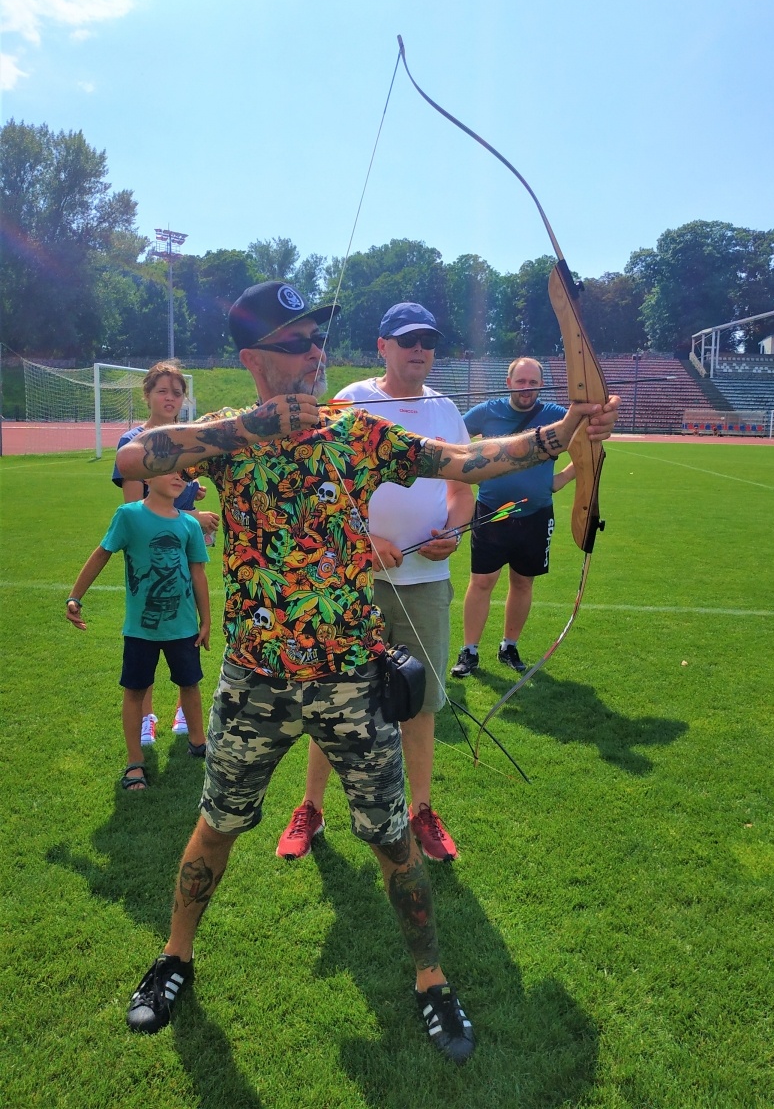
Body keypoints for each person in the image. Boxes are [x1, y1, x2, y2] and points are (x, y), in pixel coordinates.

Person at [114, 280, 620, 1063]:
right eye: (295, 344)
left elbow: (458, 458)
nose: (315, 356)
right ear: (253, 358)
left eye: (319, 341)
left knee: (391, 839)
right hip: (255, 677)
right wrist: (254, 425)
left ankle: (430, 978)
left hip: (351, 677)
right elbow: (130, 460)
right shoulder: (223, 433)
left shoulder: (356, 430)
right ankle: (174, 957)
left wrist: (560, 435)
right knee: (217, 825)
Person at [277, 302, 473, 866]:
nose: (419, 350)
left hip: (426, 580)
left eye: (428, 341)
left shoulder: (445, 409)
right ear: (382, 345)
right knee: (331, 696)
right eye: (407, 339)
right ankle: (310, 808)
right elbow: (319, 489)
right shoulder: (350, 401)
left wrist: (454, 531)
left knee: (421, 702)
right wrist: (363, 544)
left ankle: (422, 812)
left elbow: (462, 485)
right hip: (351, 584)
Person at [66, 471, 211, 791]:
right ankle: (135, 762)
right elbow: (102, 553)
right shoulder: (129, 516)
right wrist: (75, 597)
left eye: (182, 473)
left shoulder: (189, 524)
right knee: (134, 690)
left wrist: (205, 621)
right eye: (169, 470)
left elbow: (198, 573)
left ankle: (199, 743)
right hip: (140, 630)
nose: (178, 478)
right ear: (147, 475)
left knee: (190, 683)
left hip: (182, 627)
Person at [111, 360, 220, 744]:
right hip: (149, 553)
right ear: (148, 395)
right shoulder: (133, 444)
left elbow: (174, 489)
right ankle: (146, 716)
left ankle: (181, 711)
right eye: (163, 391)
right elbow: (134, 508)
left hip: (185, 547)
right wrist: (195, 515)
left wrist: (191, 492)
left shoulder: (184, 439)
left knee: (183, 625)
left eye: (177, 392)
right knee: (149, 625)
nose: (171, 398)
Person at [451, 357, 576, 678]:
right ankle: (469, 651)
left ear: (541, 384)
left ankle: (509, 646)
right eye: (521, 381)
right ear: (509, 382)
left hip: (536, 515)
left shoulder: (557, 416)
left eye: (533, 382)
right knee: (482, 582)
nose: (527, 388)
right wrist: (470, 473)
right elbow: (451, 440)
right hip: (491, 514)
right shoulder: (486, 412)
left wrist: (558, 480)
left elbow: (591, 445)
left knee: (522, 582)